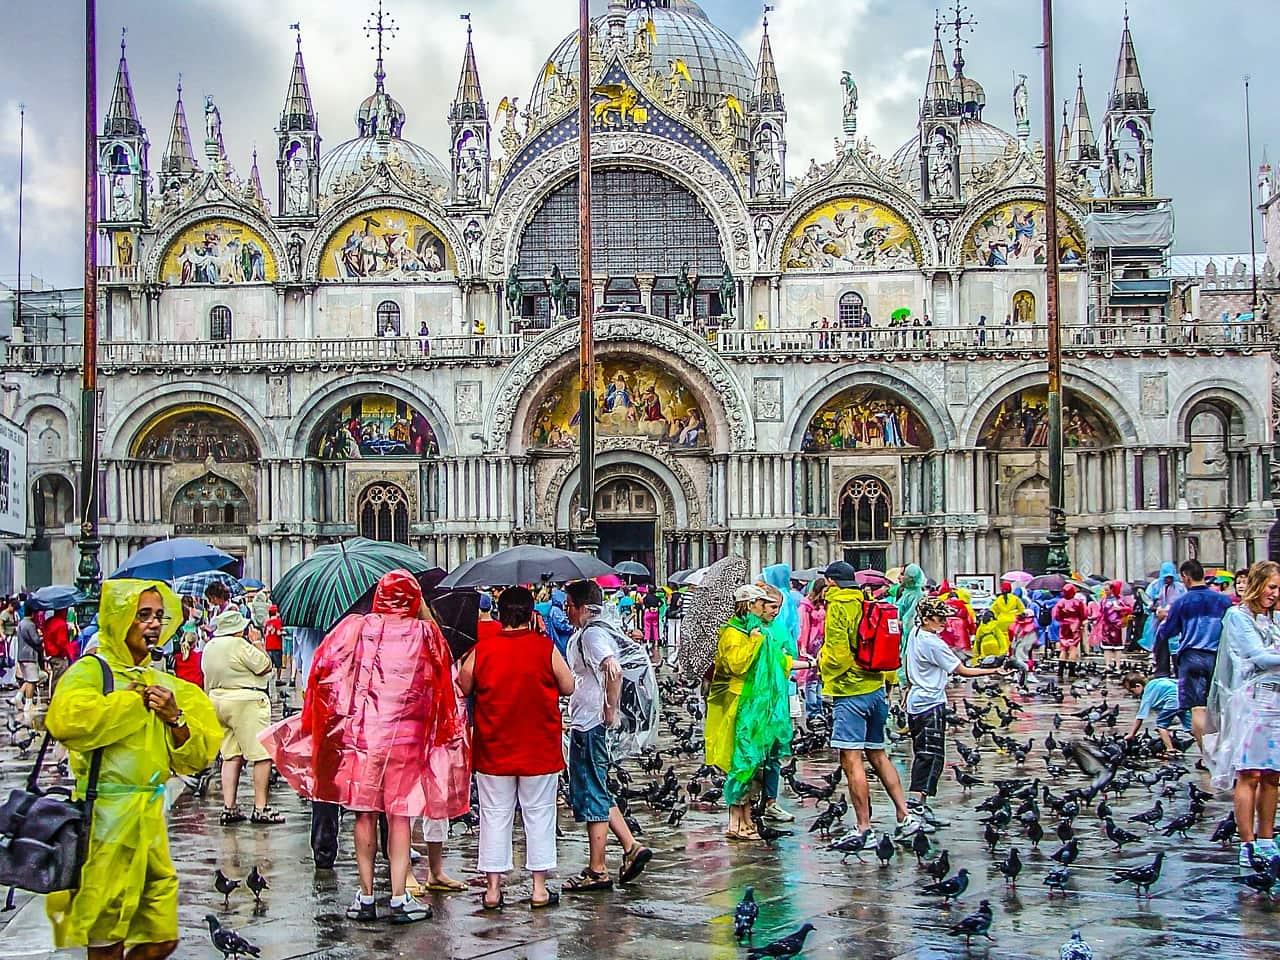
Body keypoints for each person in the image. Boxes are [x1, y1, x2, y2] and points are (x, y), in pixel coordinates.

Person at [264, 569, 470, 923]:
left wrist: (327, 720)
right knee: (400, 815)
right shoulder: (427, 633)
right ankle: (400, 897)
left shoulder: (356, 628)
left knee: (364, 814)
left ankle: (365, 896)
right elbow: (443, 686)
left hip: (364, 739)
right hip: (408, 740)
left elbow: (324, 671)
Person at [43, 579, 221, 957]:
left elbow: (194, 757)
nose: (154, 625)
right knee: (107, 940)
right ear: (120, 618)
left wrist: (175, 719)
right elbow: (66, 721)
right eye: (143, 616)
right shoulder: (92, 671)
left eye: (159, 616)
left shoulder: (159, 681)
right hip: (107, 825)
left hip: (149, 825)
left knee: (161, 936)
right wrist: (131, 704)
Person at [457, 586, 576, 909]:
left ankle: (493, 890)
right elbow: (568, 685)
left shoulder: (484, 650)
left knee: (495, 816)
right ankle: (539, 889)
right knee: (539, 815)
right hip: (538, 747)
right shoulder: (544, 648)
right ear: (529, 614)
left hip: (494, 747)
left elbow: (463, 685)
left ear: (501, 613)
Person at [819, 561, 922, 841]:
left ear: (830, 582)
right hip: (877, 688)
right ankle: (904, 815)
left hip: (851, 691)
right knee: (878, 754)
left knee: (852, 760)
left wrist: (820, 663)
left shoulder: (838, 606)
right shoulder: (868, 601)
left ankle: (864, 828)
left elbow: (838, 655)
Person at [561, 579, 652, 890]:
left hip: (591, 724)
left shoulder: (592, 634)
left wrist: (610, 708)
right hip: (586, 722)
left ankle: (598, 869)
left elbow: (613, 669)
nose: (566, 611)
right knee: (595, 788)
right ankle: (630, 846)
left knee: (593, 792)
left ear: (584, 607)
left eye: (569, 605)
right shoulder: (594, 631)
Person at [904, 598, 1009, 827]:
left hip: (917, 701)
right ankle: (916, 805)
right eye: (940, 619)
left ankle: (920, 802)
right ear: (926, 619)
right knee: (930, 756)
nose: (944, 623)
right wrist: (994, 670)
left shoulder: (914, 633)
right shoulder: (932, 643)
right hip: (930, 702)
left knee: (925, 753)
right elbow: (961, 670)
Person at [705, 585, 798, 839]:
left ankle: (746, 817)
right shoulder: (734, 633)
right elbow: (736, 665)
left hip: (758, 704)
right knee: (742, 762)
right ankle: (735, 822)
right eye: (761, 603)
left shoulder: (755, 631)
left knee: (754, 763)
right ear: (749, 605)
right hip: (740, 705)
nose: (764, 608)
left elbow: (775, 662)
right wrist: (754, 641)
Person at [1206, 561, 1280, 866]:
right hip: (1253, 701)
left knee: (1274, 775)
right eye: (1271, 587)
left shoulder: (1275, 619)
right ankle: (1247, 842)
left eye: (1278, 589)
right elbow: (1257, 656)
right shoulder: (1237, 616)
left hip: (1278, 700)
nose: (1274, 594)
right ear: (1257, 584)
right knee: (1249, 773)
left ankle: (1266, 838)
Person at [202, 608, 283, 825]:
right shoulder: (240, 645)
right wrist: (257, 643)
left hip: (218, 699)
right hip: (246, 702)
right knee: (261, 755)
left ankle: (229, 807)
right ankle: (261, 807)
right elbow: (265, 665)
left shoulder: (210, 647)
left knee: (230, 755)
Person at [1158, 559, 1233, 758]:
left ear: (1186, 577)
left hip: (1192, 657)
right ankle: (1221, 751)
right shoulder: (1223, 601)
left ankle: (1208, 757)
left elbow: (1168, 631)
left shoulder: (1181, 602)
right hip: (1218, 658)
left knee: (1197, 708)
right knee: (1217, 706)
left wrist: (1161, 621)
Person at [1121, 672, 1186, 753]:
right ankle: (1202, 742)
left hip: (1172, 700)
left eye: (1132, 691)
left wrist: (1132, 734)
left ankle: (1170, 749)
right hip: (1184, 697)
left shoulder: (1147, 695)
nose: (1133, 695)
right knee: (1190, 727)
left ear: (1138, 686)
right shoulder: (1155, 682)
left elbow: (1140, 717)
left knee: (1161, 725)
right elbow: (1177, 682)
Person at [1145, 561, 1187, 677]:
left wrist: (1172, 612)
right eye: (1166, 577)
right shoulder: (1154, 586)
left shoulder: (1180, 588)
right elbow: (1147, 601)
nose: (1168, 579)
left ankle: (1179, 673)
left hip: (1176, 623)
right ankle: (1162, 672)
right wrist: (1156, 609)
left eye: (1170, 577)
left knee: (1176, 649)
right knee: (1160, 648)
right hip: (1158, 623)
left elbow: (1184, 603)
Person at [797, 580, 827, 721]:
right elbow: (803, 626)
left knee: (819, 678)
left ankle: (819, 707)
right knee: (811, 679)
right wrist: (803, 646)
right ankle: (813, 710)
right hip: (811, 644)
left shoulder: (824, 604)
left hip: (821, 643)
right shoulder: (806, 605)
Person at [1053, 584, 1088, 680]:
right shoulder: (1078, 603)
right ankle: (1071, 672)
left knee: (1063, 648)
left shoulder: (1060, 603)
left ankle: (1060, 671)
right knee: (1073, 647)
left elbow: (1056, 615)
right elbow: (1084, 614)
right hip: (1075, 625)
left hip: (1064, 625)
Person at [1098, 581, 1131, 674]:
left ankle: (1117, 666)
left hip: (1117, 626)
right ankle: (1108, 665)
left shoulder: (1120, 600)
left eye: (1107, 590)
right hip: (1106, 626)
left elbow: (1129, 608)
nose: (1106, 592)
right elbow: (1100, 611)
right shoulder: (1103, 600)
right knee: (1106, 647)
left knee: (1117, 647)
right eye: (1105, 590)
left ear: (1112, 589)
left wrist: (1121, 609)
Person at [13, 609, 42, 708]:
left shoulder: (21, 623)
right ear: (33, 613)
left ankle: (19, 696)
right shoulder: (30, 624)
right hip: (30, 655)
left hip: (21, 655)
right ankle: (28, 704)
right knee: (32, 680)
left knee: (27, 679)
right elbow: (36, 640)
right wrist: (41, 636)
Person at [989, 581, 1025, 659]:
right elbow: (1022, 609)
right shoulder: (1015, 598)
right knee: (1013, 638)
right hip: (1012, 621)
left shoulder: (998, 599)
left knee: (1002, 638)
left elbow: (993, 611)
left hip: (1001, 621)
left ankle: (1005, 652)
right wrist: (1016, 614)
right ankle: (1013, 653)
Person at [42, 606, 74, 693]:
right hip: (59, 655)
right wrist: (67, 654)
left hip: (50, 653)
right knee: (60, 679)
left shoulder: (49, 621)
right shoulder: (61, 624)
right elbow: (62, 642)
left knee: (55, 678)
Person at [263, 604, 286, 685]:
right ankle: (278, 679)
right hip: (276, 645)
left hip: (268, 645)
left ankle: (267, 680)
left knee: (269, 664)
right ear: (276, 613)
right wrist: (284, 633)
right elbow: (279, 632)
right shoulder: (277, 621)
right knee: (278, 664)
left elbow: (264, 633)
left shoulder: (267, 622)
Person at [641, 586, 664, 664]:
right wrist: (657, 607)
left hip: (648, 612)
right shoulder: (656, 597)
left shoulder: (646, 597)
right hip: (655, 613)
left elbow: (642, 602)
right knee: (655, 627)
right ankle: (656, 641)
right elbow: (662, 602)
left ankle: (647, 641)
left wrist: (648, 607)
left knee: (647, 627)